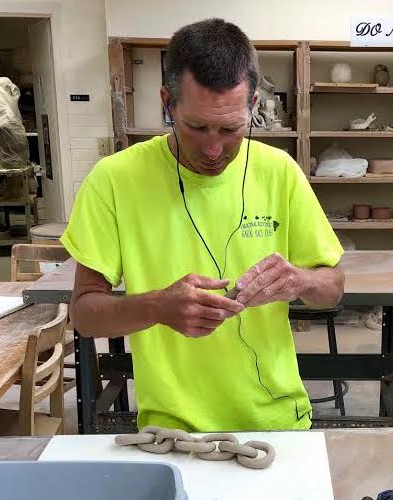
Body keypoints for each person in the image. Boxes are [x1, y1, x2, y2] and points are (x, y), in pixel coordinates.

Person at [61, 18, 344, 432]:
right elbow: (85, 315)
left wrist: (300, 281)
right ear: (167, 103)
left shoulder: (279, 172)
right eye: (196, 127)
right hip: (172, 430)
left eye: (231, 130)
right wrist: (157, 306)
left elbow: (333, 288)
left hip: (278, 424)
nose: (213, 149)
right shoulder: (114, 180)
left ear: (253, 108)